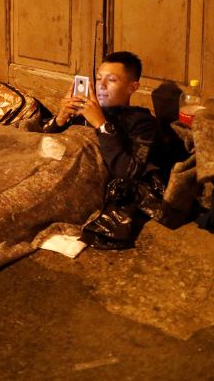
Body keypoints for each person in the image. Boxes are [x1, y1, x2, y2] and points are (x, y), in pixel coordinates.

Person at [43, 51, 163, 248]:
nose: (101, 86)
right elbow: (43, 143)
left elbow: (128, 172)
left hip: (72, 185)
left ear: (133, 87)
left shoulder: (142, 123)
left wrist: (101, 124)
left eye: (112, 80)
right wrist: (60, 119)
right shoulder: (84, 109)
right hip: (48, 169)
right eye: (98, 79)